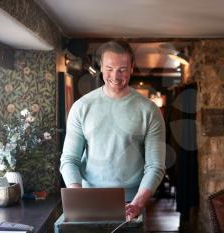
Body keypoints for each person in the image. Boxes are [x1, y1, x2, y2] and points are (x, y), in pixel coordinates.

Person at [60, 39, 166, 221]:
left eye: (122, 70)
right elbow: (70, 159)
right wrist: (78, 196)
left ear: (132, 67)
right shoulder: (81, 107)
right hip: (89, 199)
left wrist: (137, 203)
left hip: (132, 200)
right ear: (101, 66)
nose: (115, 76)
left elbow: (155, 166)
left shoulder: (149, 111)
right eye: (109, 69)